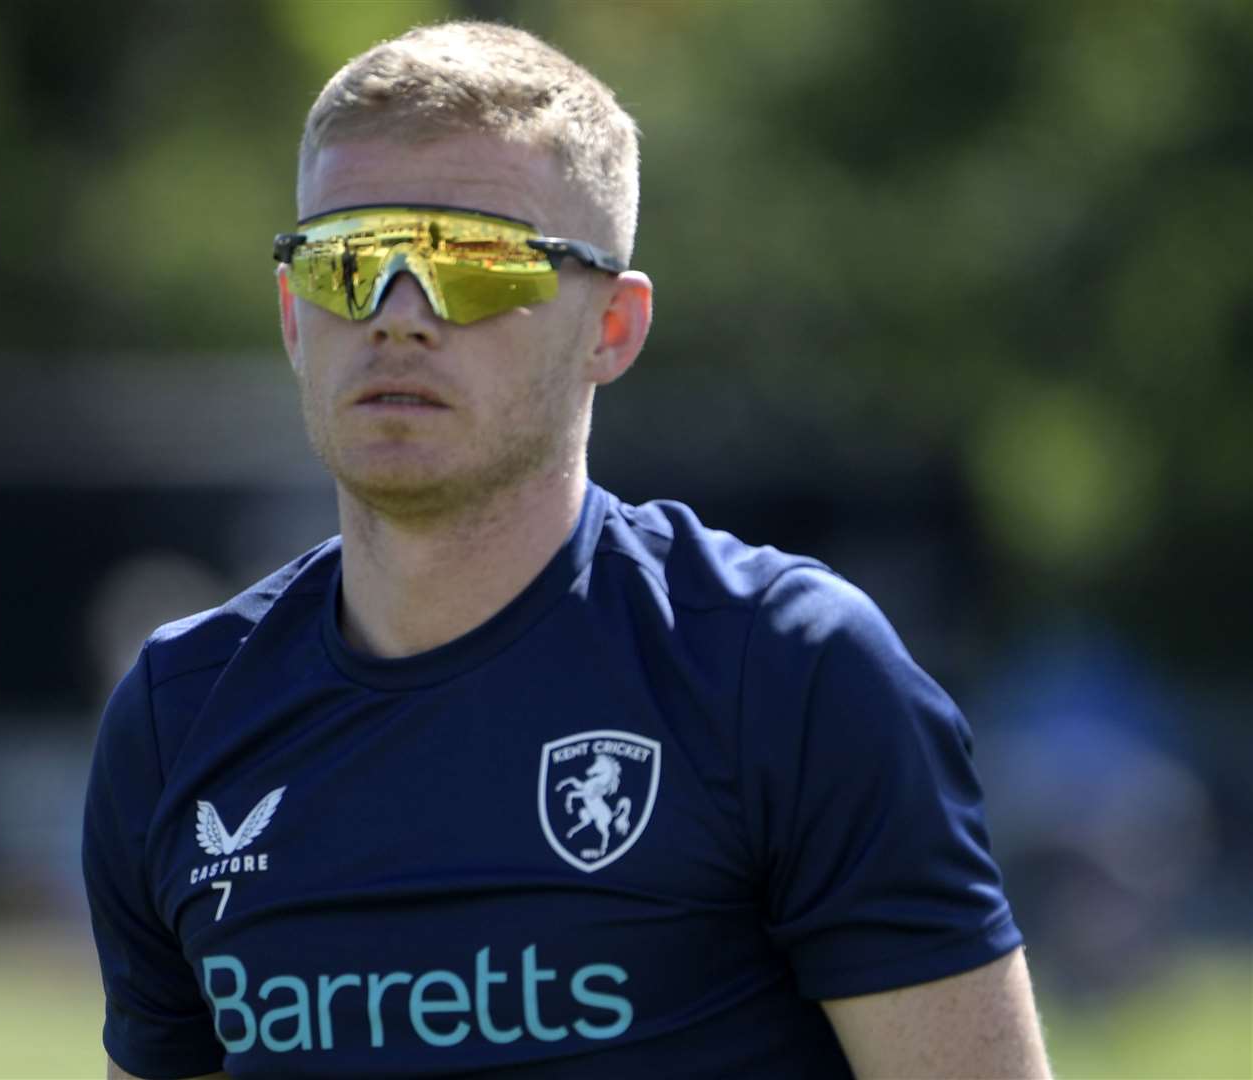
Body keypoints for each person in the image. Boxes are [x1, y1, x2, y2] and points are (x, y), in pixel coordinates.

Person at [83, 20, 1051, 1080]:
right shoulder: (179, 715)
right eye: (347, 260)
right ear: (289, 314)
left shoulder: (780, 672)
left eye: (479, 266)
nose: (398, 317)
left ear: (613, 329)